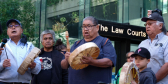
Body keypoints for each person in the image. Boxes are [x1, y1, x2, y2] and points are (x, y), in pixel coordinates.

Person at [61, 16, 117, 84]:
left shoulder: (104, 42)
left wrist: (92, 61)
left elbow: (109, 62)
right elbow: (64, 66)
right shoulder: (76, 44)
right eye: (83, 26)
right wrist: (66, 59)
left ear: (97, 27)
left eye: (89, 26)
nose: (85, 29)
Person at [0, 19, 41, 84]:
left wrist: (34, 66)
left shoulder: (29, 46)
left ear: (21, 30)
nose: (13, 27)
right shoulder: (1, 46)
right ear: (7, 32)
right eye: (10, 26)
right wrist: (2, 65)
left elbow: (37, 70)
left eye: (16, 25)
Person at [139, 9, 168, 84]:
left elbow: (167, 65)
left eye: (150, 24)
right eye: (146, 24)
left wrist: (151, 81)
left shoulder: (166, 41)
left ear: (160, 26)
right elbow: (135, 64)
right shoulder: (142, 43)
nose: (147, 26)